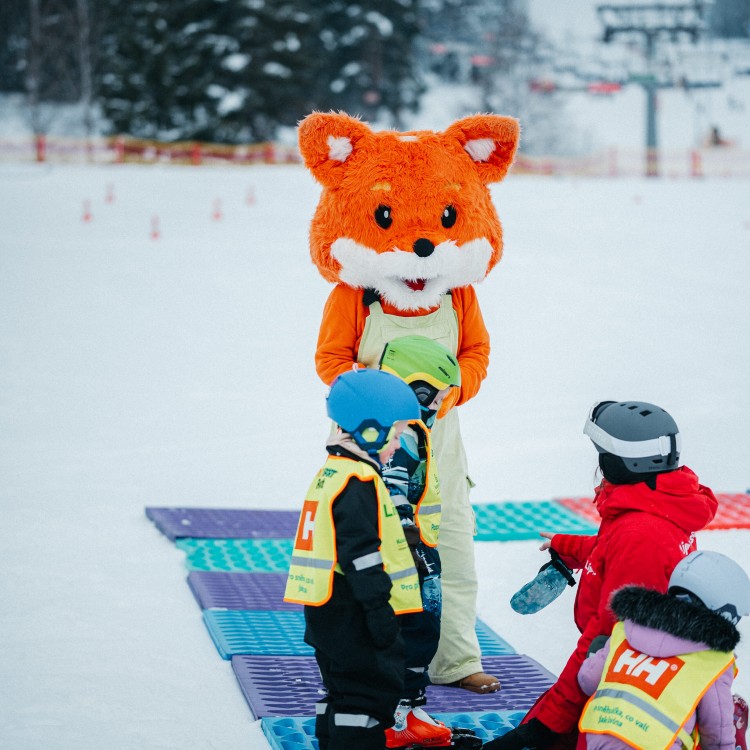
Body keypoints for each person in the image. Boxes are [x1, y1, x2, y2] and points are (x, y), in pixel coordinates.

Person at [484, 400, 718, 750]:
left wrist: (549, 722)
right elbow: (617, 546)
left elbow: (606, 640)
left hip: (623, 689)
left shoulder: (642, 534)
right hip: (623, 670)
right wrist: (571, 547)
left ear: (617, 463)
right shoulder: (655, 504)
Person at [283, 368, 422, 750]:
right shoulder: (358, 480)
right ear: (370, 432)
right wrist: (379, 613)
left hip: (327, 611)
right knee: (366, 697)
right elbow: (360, 555)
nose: (397, 446)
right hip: (354, 612)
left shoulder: (332, 472)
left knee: (341, 694)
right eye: (394, 435)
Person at [377, 335, 465, 747]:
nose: (439, 405)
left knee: (421, 630)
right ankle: (395, 719)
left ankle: (408, 709)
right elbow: (392, 489)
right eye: (437, 396)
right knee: (415, 630)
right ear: (416, 389)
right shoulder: (403, 434)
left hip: (413, 549)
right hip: (405, 553)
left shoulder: (406, 427)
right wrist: (411, 544)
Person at [578, 550, 750, 750]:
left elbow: (587, 681)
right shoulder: (713, 660)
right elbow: (716, 734)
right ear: (726, 614)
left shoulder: (627, 629)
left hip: (599, 741)